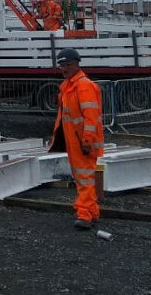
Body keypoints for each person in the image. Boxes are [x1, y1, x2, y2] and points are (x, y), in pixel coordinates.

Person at [47, 48, 104, 230]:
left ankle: (84, 215)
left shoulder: (83, 86)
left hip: (82, 141)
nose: (64, 69)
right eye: (62, 66)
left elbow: (91, 116)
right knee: (82, 178)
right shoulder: (68, 86)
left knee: (85, 178)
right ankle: (92, 211)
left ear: (77, 64)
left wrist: (86, 140)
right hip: (75, 140)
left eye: (68, 65)